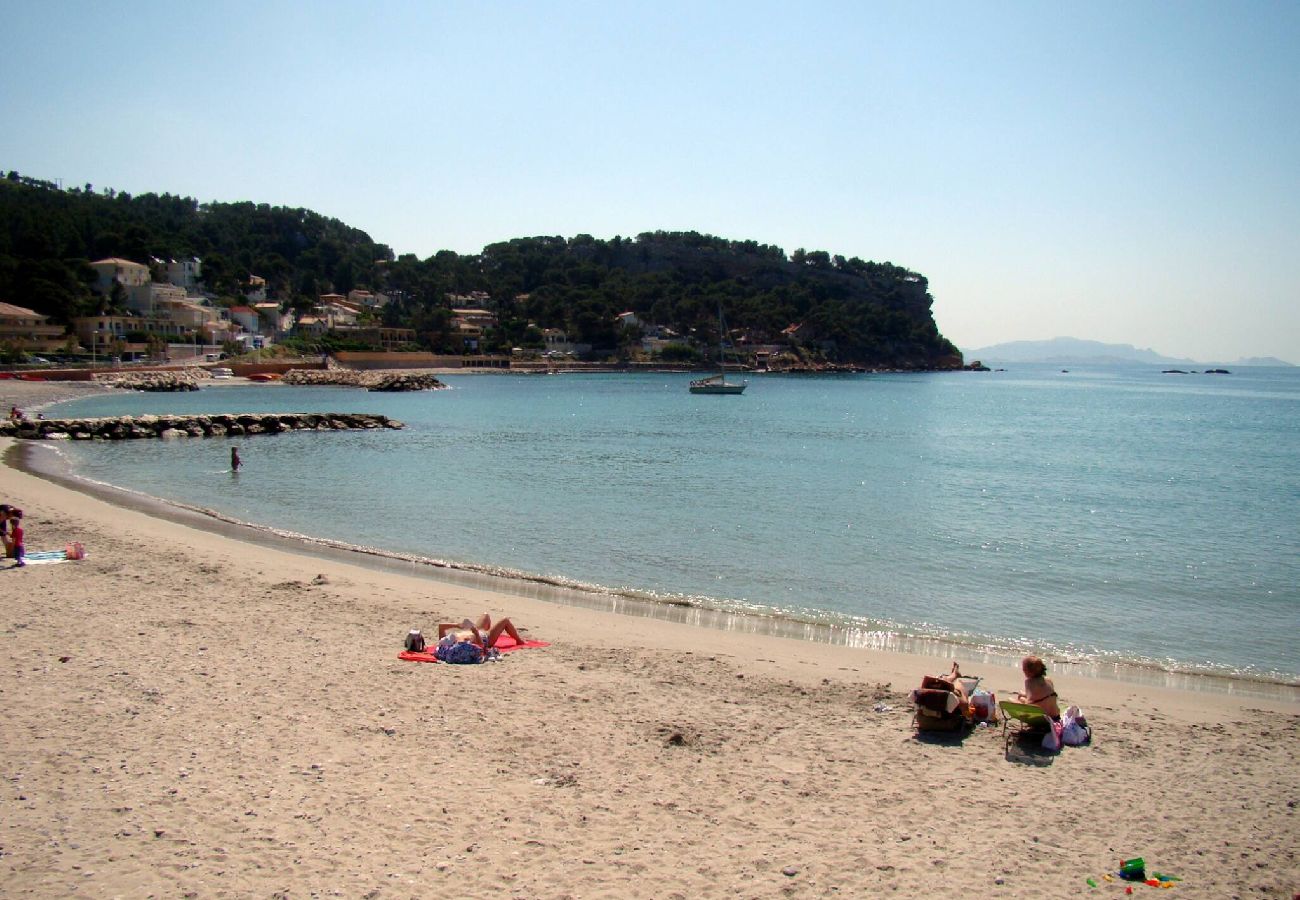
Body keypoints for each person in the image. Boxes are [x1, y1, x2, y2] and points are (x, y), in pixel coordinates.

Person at [437, 613, 525, 650]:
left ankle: (492, 630)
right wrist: (475, 633)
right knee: (505, 620)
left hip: (474, 630)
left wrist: (457, 625)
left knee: (485, 615)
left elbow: (441, 627)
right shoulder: (462, 646)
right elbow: (481, 646)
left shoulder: (444, 643)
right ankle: (519, 640)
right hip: (486, 638)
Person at [1016, 655, 1061, 719]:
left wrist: (1021, 696)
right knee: (1023, 696)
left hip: (1040, 716)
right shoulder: (1048, 680)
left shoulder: (1029, 682)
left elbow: (1029, 700)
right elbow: (1037, 695)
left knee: (1018, 699)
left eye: (1024, 669)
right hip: (1055, 715)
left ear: (1028, 671)